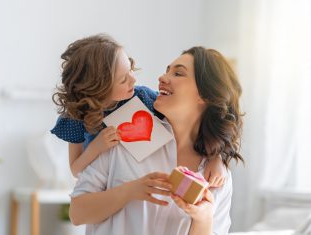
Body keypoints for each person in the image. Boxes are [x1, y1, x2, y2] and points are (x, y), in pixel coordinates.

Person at [69, 46, 244, 235]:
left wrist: (203, 218)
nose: (162, 77)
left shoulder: (216, 176)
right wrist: (130, 191)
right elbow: (77, 213)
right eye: (167, 70)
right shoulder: (125, 134)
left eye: (178, 73)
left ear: (205, 96)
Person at [51, 34, 226, 187]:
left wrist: (217, 158)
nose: (133, 80)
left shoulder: (143, 98)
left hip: (142, 186)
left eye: (131, 69)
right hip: (102, 190)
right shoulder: (75, 117)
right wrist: (96, 148)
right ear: (99, 88)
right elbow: (75, 170)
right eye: (123, 79)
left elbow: (201, 124)